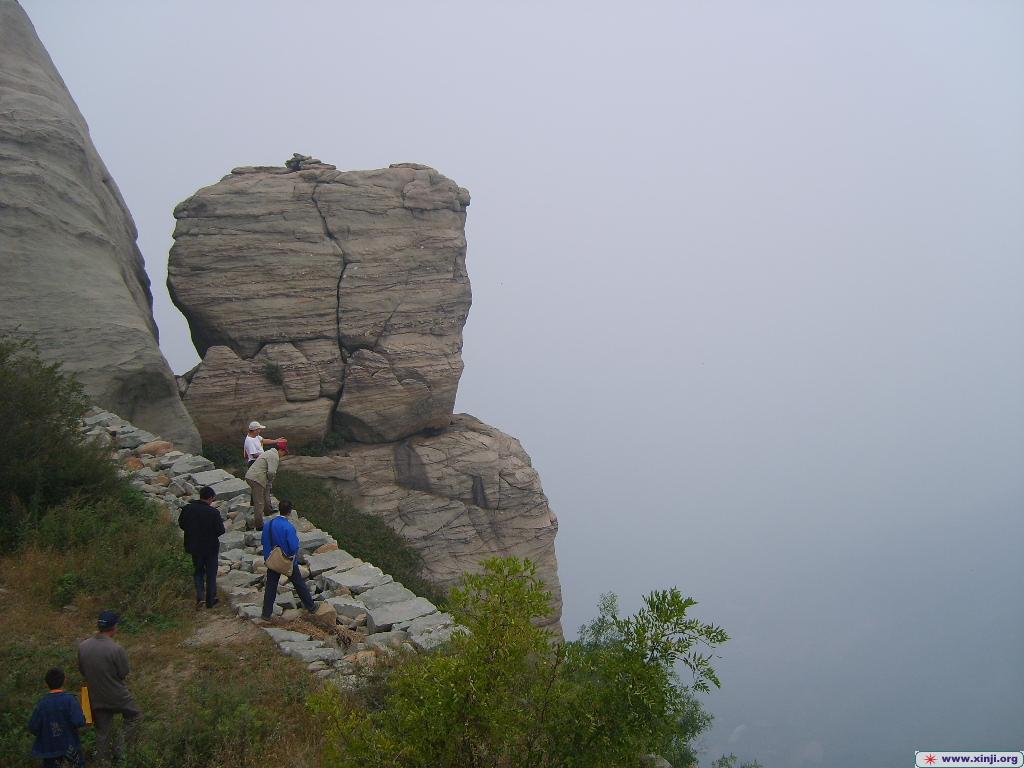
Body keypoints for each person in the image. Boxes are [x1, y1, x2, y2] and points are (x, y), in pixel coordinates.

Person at [77, 611, 141, 767]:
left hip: (95, 695)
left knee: (102, 731)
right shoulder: (116, 649)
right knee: (134, 716)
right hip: (117, 695)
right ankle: (123, 751)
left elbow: (82, 670)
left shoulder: (83, 646)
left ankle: (102, 762)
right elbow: (123, 672)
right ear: (113, 627)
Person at [260, 501, 317, 620]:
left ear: (279, 509)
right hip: (287, 561)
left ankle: (266, 614)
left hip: (273, 561)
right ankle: (311, 607)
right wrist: (291, 556)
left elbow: (264, 541)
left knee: (271, 586)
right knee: (298, 583)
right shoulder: (288, 527)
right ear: (290, 512)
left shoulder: (269, 524)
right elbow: (293, 547)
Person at [177, 485, 225, 609]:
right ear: (210, 498)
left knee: (198, 572)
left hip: (194, 546)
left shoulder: (188, 509)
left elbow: (181, 524)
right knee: (211, 573)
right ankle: (211, 599)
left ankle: (200, 597)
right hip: (210, 548)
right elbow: (220, 530)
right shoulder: (213, 512)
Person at [28, 667, 86, 768]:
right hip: (70, 747)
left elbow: (33, 727)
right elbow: (79, 721)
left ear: (46, 683)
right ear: (64, 681)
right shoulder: (70, 700)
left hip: (50, 750)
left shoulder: (42, 704)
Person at [244, 442, 287, 531]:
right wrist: (270, 480)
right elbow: (271, 472)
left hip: (254, 476)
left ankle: (268, 510)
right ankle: (259, 525)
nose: (284, 455)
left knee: (265, 492)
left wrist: (268, 483)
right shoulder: (274, 456)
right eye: (284, 453)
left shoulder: (268, 452)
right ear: (281, 450)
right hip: (257, 479)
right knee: (259, 502)